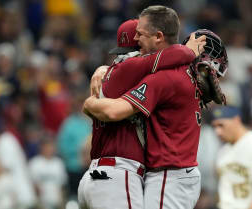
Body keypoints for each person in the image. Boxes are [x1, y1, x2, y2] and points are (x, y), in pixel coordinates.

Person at [83, 5, 228, 209]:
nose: (137, 40)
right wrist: (105, 70)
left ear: (158, 36)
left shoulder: (165, 77)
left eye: (141, 34)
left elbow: (114, 111)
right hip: (179, 173)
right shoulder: (183, 73)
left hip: (169, 175)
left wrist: (90, 102)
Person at [210, 106, 252, 209]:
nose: (217, 131)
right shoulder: (222, 152)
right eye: (214, 127)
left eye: (221, 125)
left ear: (236, 120)